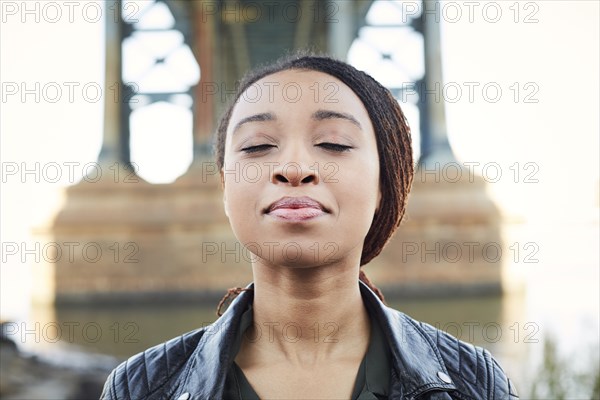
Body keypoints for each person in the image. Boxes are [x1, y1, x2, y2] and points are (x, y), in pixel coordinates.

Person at [100, 54, 519, 400]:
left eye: (333, 143)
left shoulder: (475, 383)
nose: (294, 168)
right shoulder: (139, 387)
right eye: (257, 146)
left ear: (383, 185)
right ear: (226, 191)